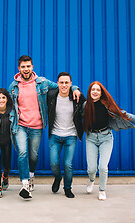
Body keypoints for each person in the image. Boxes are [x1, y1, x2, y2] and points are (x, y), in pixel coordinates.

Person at [9, 55, 81, 199]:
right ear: (19, 68)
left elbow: (62, 86)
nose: (26, 69)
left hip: (37, 126)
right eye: (23, 67)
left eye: (28, 66)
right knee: (22, 153)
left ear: (32, 67)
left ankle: (31, 174)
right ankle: (25, 184)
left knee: (34, 155)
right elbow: (11, 106)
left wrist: (75, 88)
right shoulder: (14, 86)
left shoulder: (42, 82)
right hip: (21, 125)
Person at [83, 81, 135, 200]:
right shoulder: (85, 105)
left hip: (106, 137)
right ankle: (92, 179)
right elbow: (76, 117)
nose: (95, 92)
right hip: (91, 138)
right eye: (93, 89)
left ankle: (102, 190)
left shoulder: (107, 105)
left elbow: (122, 113)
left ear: (101, 93)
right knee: (91, 168)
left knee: (103, 167)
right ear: (89, 92)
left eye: (98, 90)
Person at [47, 72, 86, 198]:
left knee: (68, 164)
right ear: (57, 83)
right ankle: (58, 178)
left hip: (71, 135)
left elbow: (88, 108)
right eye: (61, 82)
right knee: (53, 163)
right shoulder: (51, 95)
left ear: (70, 83)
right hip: (55, 134)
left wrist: (77, 89)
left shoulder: (77, 97)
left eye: (66, 82)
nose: (64, 85)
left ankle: (68, 188)